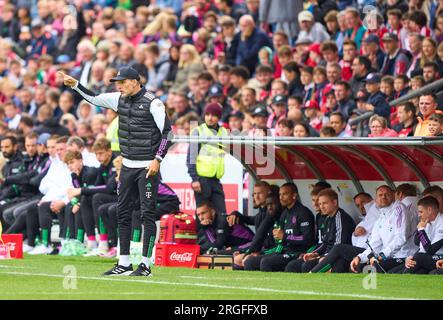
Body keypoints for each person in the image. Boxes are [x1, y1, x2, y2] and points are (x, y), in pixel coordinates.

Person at [59, 66, 172, 277]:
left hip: (147, 167)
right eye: (117, 82)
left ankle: (146, 265)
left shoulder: (154, 103)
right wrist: (75, 85)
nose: (118, 86)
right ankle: (124, 263)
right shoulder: (118, 98)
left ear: (135, 81)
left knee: (147, 214)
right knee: (122, 212)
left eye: (122, 82)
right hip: (127, 166)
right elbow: (93, 98)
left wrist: (158, 160)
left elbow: (168, 133)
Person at [244, 183, 316, 272]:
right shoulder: (285, 214)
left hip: (298, 252)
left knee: (266, 262)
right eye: (280, 194)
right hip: (285, 252)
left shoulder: (303, 213)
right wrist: (269, 252)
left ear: (294, 196)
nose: (281, 197)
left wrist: (284, 236)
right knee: (250, 261)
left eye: (284, 194)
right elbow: (281, 243)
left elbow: (307, 239)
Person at [285, 188, 355, 273]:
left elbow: (338, 246)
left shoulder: (340, 218)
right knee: (293, 265)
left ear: (335, 202)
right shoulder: (328, 218)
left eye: (325, 203)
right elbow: (325, 243)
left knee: (306, 266)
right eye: (320, 203)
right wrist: (314, 253)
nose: (321, 206)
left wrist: (324, 257)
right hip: (327, 255)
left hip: (339, 258)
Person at [350, 186, 417, 273]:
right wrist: (360, 257)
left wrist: (382, 255)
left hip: (405, 256)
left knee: (375, 268)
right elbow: (375, 244)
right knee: (361, 266)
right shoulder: (380, 218)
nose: (383, 197)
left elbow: (401, 238)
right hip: (390, 257)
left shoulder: (399, 209)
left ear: (393, 195)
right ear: (376, 200)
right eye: (380, 195)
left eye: (386, 194)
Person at [187, 103, 228, 215]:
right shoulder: (198, 131)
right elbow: (191, 157)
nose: (210, 118)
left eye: (213, 115)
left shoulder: (224, 132)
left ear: (219, 117)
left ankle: (219, 233)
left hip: (216, 179)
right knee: (203, 216)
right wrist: (195, 179)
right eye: (207, 114)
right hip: (201, 180)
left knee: (222, 215)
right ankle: (202, 234)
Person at [391, 196, 443, 274]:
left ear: (429, 210)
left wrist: (421, 230)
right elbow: (417, 242)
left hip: (439, 258)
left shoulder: (441, 222)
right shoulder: (427, 221)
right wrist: (411, 258)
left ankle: (402, 278)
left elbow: (430, 250)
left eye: (421, 212)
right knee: (394, 271)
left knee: (419, 257)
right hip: (427, 258)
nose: (419, 215)